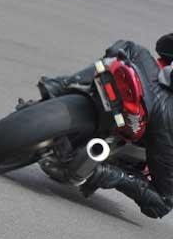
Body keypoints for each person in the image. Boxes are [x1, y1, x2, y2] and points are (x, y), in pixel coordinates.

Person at [37, 36, 173, 218]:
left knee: (127, 49)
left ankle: (59, 86)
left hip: (152, 85)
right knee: (163, 202)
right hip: (167, 122)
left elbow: (164, 45)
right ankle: (101, 172)